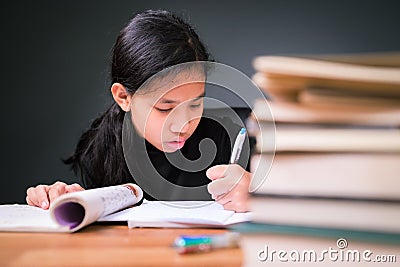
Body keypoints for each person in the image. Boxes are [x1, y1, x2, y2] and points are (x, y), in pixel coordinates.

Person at [26, 10, 252, 212]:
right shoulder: (103, 149)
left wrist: (260, 197)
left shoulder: (232, 135)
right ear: (124, 97)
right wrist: (69, 201)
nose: (184, 124)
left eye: (195, 104)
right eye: (166, 108)